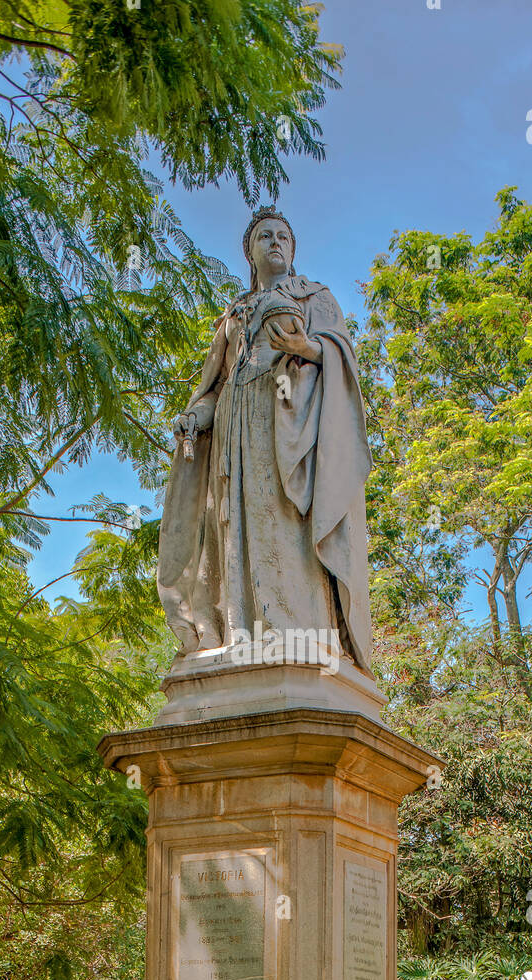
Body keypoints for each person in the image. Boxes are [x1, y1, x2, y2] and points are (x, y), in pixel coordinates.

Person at [158, 207, 373, 672]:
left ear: (293, 251)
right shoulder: (233, 315)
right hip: (234, 432)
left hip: (288, 426)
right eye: (264, 237)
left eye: (283, 237)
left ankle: (295, 633)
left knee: (283, 521)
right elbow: (216, 386)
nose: (275, 242)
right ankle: (241, 631)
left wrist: (304, 349)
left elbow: (341, 358)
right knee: (233, 530)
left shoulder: (315, 297)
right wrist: (196, 415)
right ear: (251, 253)